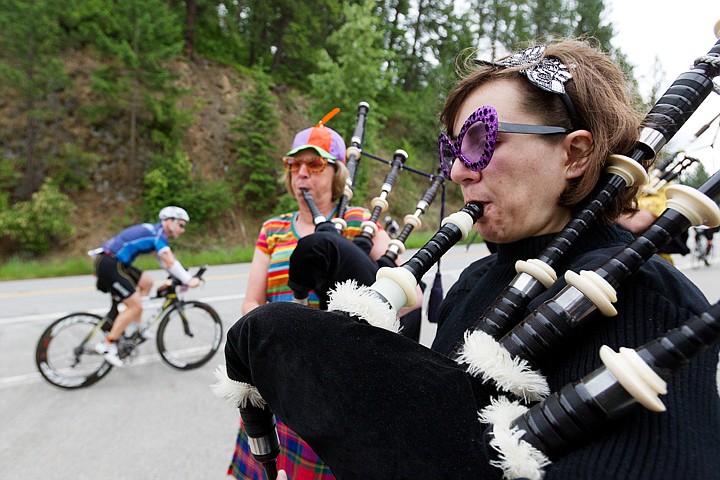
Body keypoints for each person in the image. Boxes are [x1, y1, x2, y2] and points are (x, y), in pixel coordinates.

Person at [218, 39, 719, 479]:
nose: (459, 170)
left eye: (482, 141)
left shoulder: (648, 297)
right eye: (453, 149)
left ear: (574, 155)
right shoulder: (477, 275)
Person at [231, 115, 421, 479]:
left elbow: (409, 297)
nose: (302, 172)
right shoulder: (272, 229)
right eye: (294, 163)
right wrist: (261, 353)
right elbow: (252, 302)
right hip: (278, 378)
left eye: (314, 163)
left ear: (336, 172)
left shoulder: (360, 221)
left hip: (336, 385)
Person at [93, 206, 200, 366]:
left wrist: (179, 275)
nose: (183, 230)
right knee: (135, 306)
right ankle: (107, 345)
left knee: (147, 283)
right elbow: (169, 260)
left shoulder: (154, 232)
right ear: (170, 222)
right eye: (181, 225)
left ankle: (133, 328)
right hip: (110, 264)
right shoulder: (158, 235)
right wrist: (189, 280)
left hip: (115, 262)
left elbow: (163, 261)